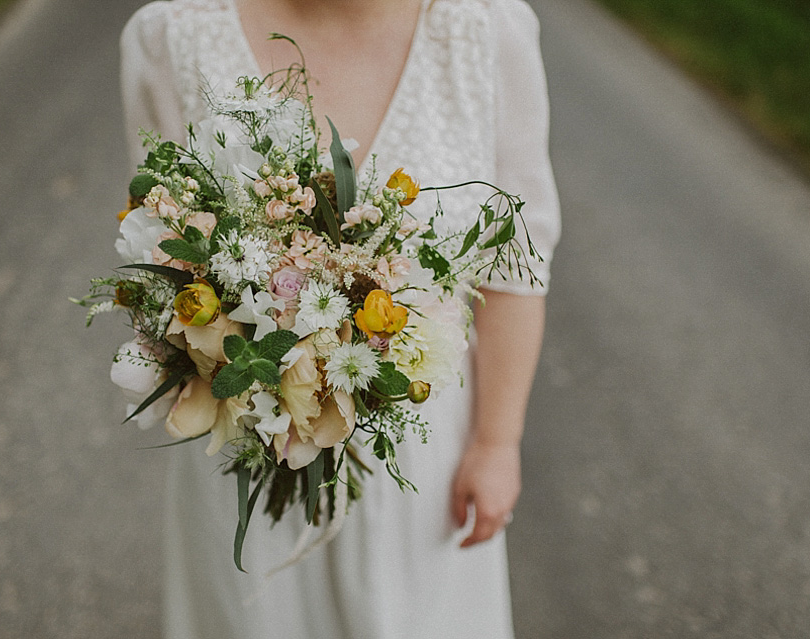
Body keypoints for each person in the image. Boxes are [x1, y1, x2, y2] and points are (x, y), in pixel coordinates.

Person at [120, 0, 560, 636]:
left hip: (424, 454)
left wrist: (497, 444)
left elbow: (519, 268)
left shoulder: (487, 32)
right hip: (242, 443)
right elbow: (151, 239)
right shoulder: (169, 36)